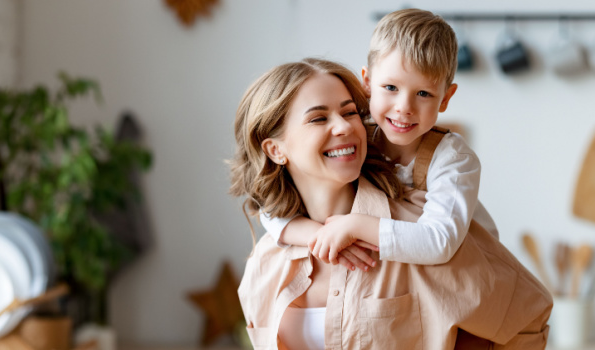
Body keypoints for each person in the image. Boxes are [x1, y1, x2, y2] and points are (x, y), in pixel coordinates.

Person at [230, 58, 551, 350]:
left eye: (350, 112)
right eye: (318, 118)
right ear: (274, 150)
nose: (344, 127)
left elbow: (525, 317)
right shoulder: (265, 262)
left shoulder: (416, 232)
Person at [260, 8, 498, 270]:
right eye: (391, 88)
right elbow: (270, 210)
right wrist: (316, 234)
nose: (404, 107)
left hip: (471, 273)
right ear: (367, 83)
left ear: (445, 98)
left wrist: (357, 225)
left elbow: (440, 242)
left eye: (423, 93)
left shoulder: (452, 158)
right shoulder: (356, 135)